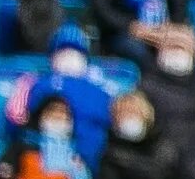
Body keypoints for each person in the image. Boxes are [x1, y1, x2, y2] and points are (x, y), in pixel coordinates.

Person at [8, 25, 116, 168]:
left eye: (76, 52)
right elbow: (16, 122)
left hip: (92, 162)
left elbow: (111, 125)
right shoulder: (35, 83)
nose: (70, 56)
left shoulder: (101, 90)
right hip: (43, 162)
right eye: (63, 51)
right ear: (52, 56)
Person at [137, 28, 195, 179]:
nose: (177, 52)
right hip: (167, 161)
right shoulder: (147, 86)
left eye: (183, 47)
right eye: (172, 46)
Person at [0, 94, 93, 179]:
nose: (58, 116)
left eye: (63, 113)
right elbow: (4, 173)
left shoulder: (75, 155)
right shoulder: (24, 145)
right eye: (53, 111)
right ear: (41, 115)